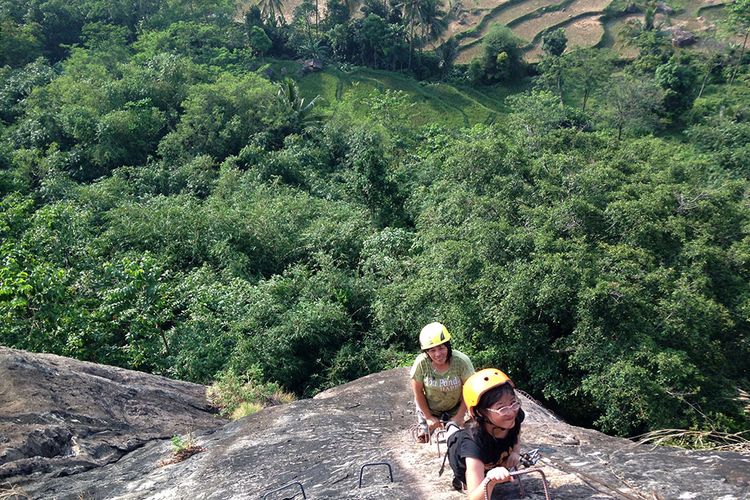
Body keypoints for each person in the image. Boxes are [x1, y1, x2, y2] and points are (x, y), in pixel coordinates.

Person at [446, 368, 524, 500]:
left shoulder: (513, 416)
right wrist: (490, 480)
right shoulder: (472, 443)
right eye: (501, 408)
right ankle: (451, 425)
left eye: (513, 403)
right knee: (452, 433)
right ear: (480, 412)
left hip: (490, 458)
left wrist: (516, 452)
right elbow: (474, 498)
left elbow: (516, 431)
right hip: (460, 450)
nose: (510, 412)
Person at [410, 322, 475, 443]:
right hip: (430, 407)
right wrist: (429, 417)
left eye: (441, 348)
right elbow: (418, 393)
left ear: (448, 346)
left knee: (462, 437)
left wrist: (460, 416)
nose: (438, 354)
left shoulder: (461, 361)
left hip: (456, 405)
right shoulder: (421, 364)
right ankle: (425, 427)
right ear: (426, 352)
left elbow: (470, 389)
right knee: (423, 439)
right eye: (432, 350)